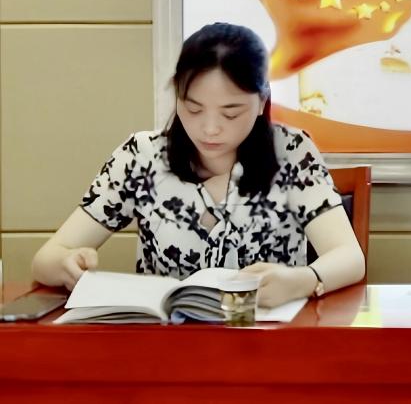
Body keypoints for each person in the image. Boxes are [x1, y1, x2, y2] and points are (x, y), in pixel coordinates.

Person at [32, 22, 365, 307]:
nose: (210, 129)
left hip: (266, 343)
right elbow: (45, 259)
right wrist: (67, 264)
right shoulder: (141, 157)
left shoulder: (290, 153)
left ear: (262, 102)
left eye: (231, 113)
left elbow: (350, 257)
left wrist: (304, 279)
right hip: (167, 347)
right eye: (193, 109)